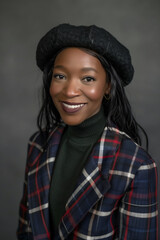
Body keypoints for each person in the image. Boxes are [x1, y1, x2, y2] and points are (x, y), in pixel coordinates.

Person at [17, 24, 158, 240]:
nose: (70, 91)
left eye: (88, 79)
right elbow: (27, 229)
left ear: (108, 86)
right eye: (60, 76)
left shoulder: (135, 165)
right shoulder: (38, 144)